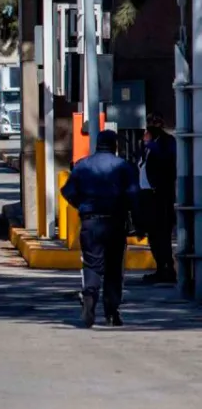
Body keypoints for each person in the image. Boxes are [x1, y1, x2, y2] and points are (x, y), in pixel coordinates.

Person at [61, 130, 140, 328]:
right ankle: (112, 312)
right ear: (114, 146)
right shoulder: (122, 166)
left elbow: (68, 191)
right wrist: (137, 221)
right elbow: (133, 196)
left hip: (90, 221)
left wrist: (82, 206)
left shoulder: (82, 165)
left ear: (97, 144)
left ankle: (89, 298)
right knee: (114, 267)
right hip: (115, 222)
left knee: (92, 264)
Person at [142, 113, 178, 283]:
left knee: (162, 234)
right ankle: (160, 268)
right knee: (154, 236)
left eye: (153, 124)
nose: (149, 127)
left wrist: (150, 144)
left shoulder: (166, 142)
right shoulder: (149, 144)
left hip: (161, 196)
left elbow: (168, 161)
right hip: (149, 197)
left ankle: (167, 269)